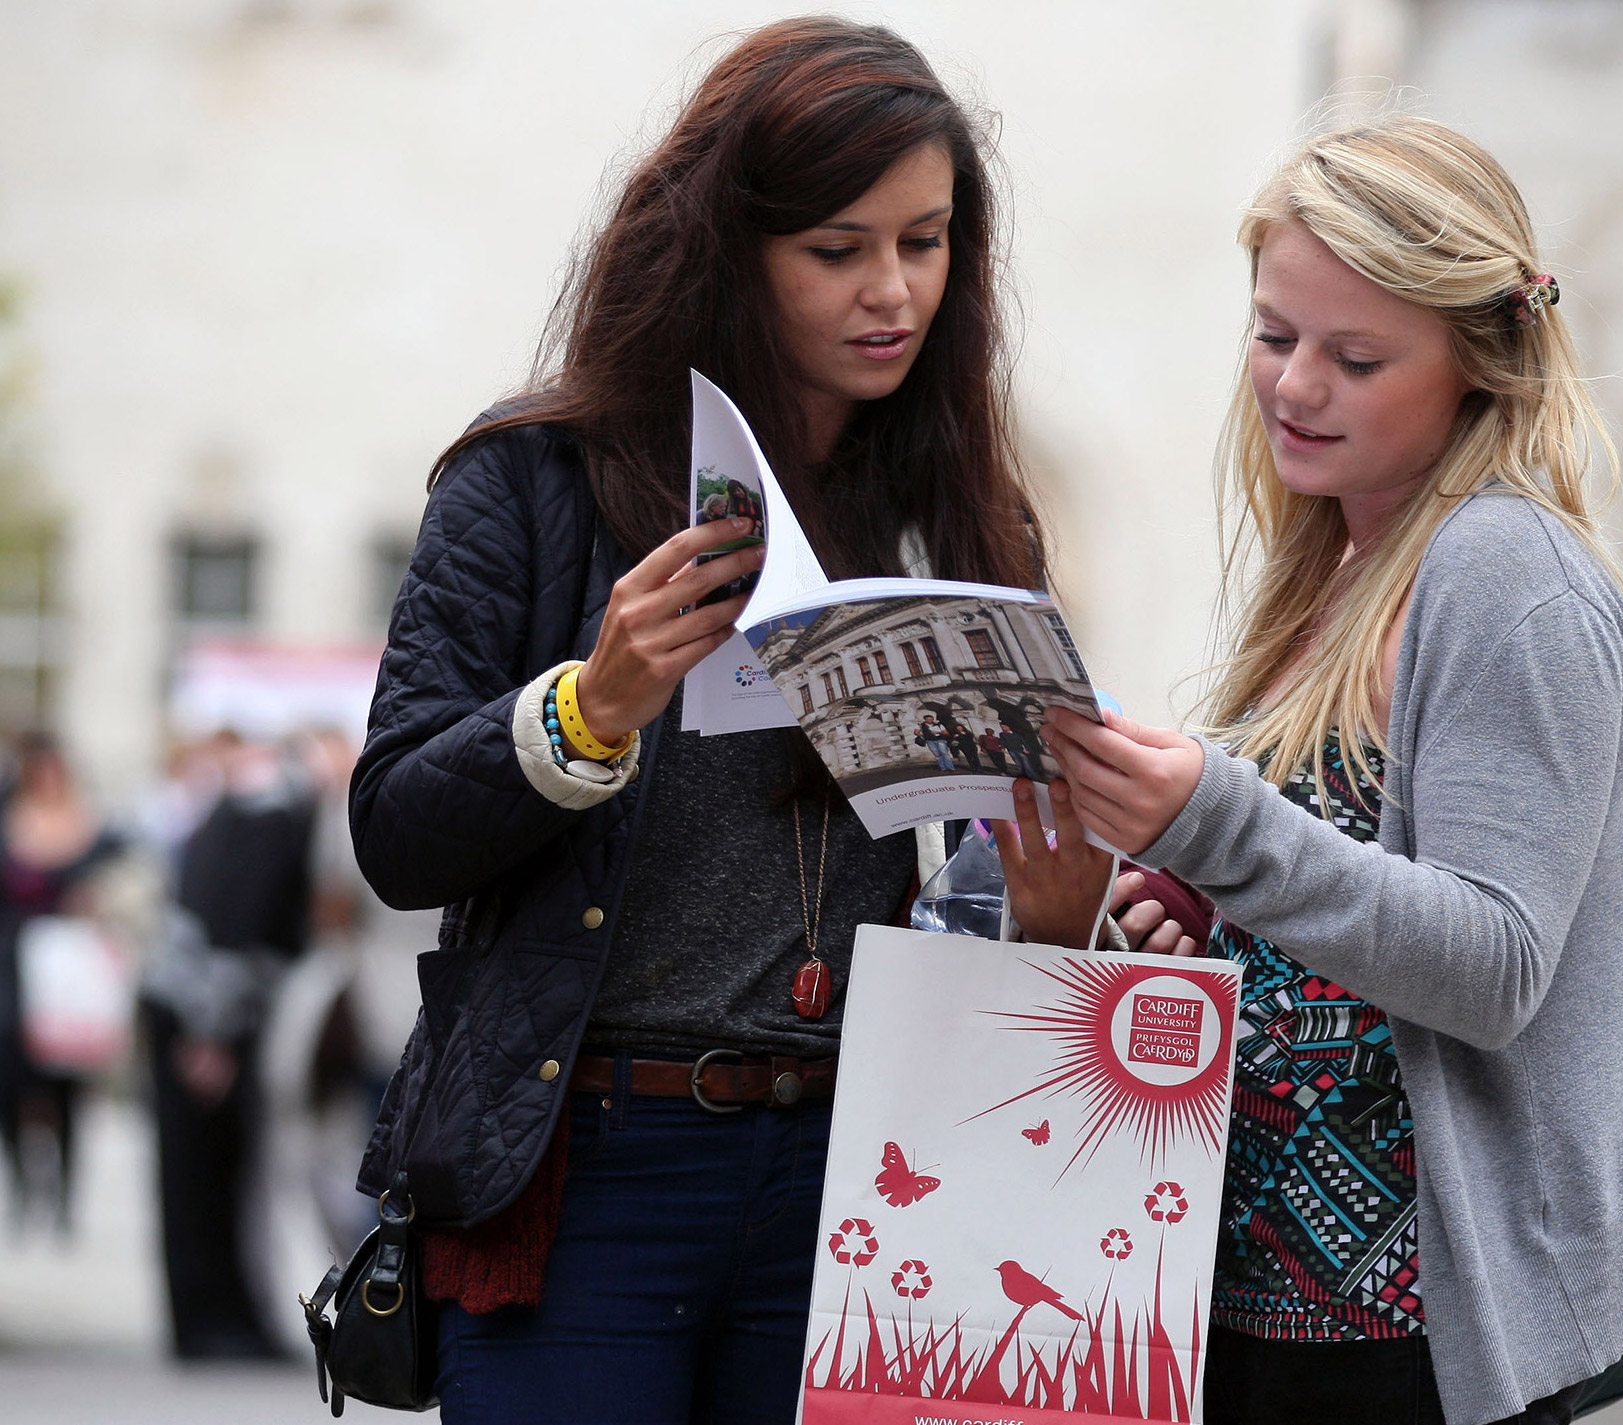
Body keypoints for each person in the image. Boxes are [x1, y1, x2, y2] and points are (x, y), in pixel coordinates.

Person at [348, 22, 1179, 1423]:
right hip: (590, 1162)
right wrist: (588, 708)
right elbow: (394, 833)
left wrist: (1058, 920)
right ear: (731, 250)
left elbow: (980, 885)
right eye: (837, 248)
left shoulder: (961, 517)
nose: (890, 292)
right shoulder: (536, 482)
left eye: (925, 245)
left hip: (861, 1174)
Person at [1042, 115, 1623, 1425]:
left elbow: (1491, 963)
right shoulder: (1333, 567)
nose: (1294, 385)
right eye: (1272, 336)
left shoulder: (1507, 578)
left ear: (1478, 364)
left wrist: (1215, 824)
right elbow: (1335, 902)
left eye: (1355, 355)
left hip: (1407, 1339)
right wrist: (1190, 908)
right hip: (1260, 1308)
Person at [143, 733, 317, 1360]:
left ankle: (214, 1322)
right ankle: (214, 1325)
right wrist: (211, 1034)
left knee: (204, 1175)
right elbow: (233, 924)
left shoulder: (244, 807)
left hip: (199, 1009)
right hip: (208, 1014)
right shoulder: (273, 813)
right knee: (207, 1175)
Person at [0, 732, 124, 1237]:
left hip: (70, 973)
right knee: (11, 1079)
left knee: (65, 1085)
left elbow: (123, 879)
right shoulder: (10, 821)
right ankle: (25, 1185)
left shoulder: (92, 826)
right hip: (13, 965)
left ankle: (65, 1196)